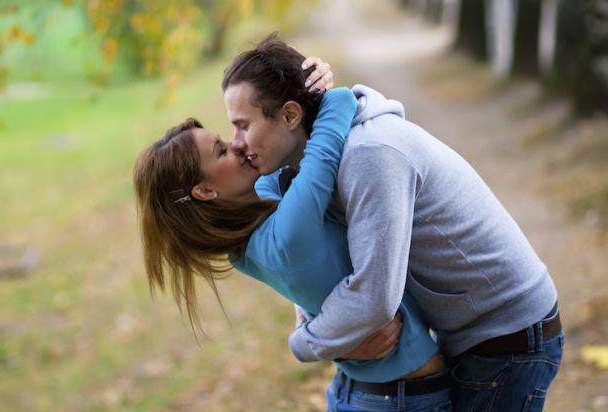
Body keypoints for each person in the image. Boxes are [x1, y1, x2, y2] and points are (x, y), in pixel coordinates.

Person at [223, 35, 563, 411]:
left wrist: (304, 344)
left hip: (506, 334)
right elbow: (309, 267)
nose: (235, 143)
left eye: (243, 126)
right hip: (466, 330)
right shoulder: (304, 164)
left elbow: (374, 299)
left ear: (290, 116)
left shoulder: (369, 155)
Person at [133, 51, 453, 411]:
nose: (237, 144)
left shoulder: (245, 247)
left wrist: (301, 87)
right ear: (205, 191)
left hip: (358, 390)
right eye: (221, 151)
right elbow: (333, 124)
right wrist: (315, 91)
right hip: (404, 397)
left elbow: (276, 162)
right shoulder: (288, 233)